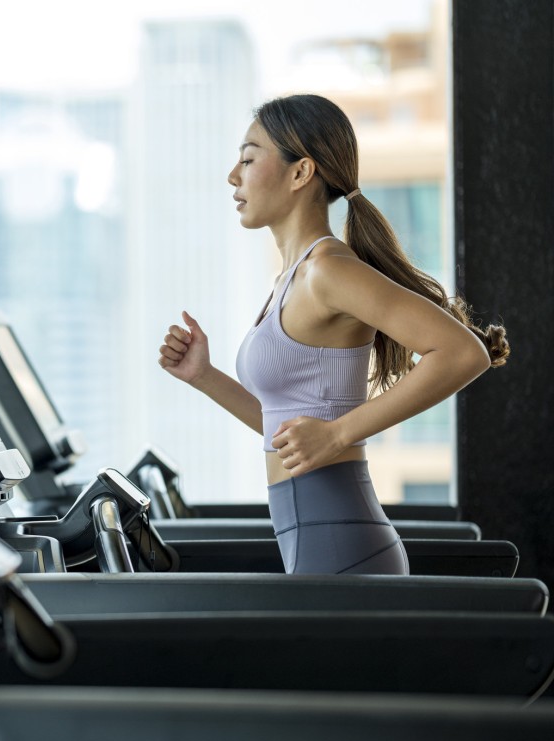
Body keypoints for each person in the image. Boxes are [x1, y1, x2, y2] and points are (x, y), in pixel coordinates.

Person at [158, 93, 509, 576]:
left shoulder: (327, 270)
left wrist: (339, 433)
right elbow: (286, 429)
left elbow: (464, 353)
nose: (233, 176)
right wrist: (204, 375)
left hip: (343, 548)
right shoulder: (292, 278)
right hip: (318, 539)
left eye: (247, 158)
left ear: (301, 173)